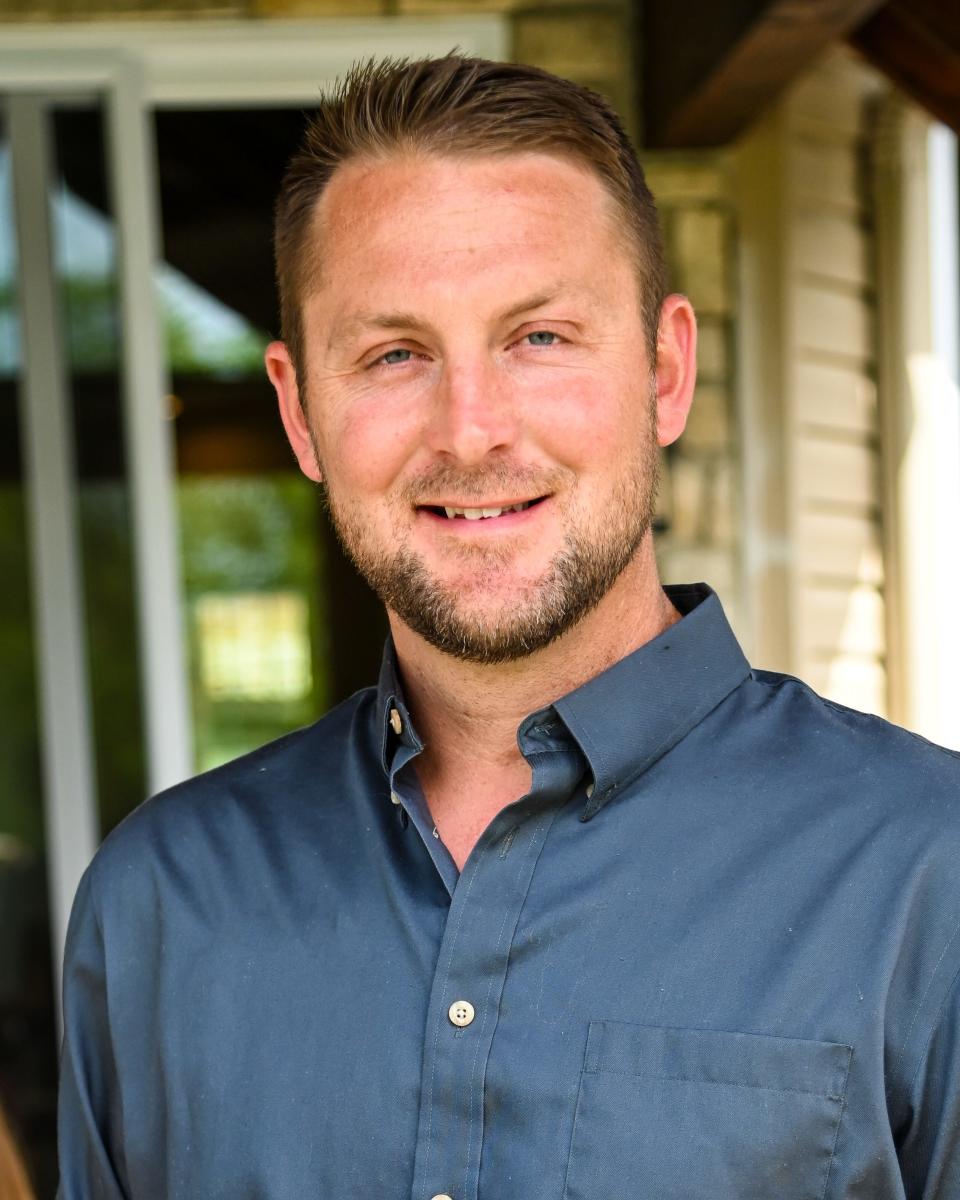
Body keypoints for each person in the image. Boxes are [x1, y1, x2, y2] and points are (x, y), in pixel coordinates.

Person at [59, 55, 960, 1200]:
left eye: (539, 337)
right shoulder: (162, 905)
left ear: (665, 371)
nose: (471, 430)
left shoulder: (931, 877)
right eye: (394, 354)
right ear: (298, 411)